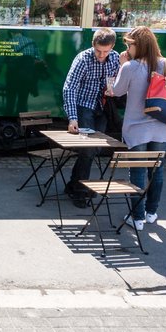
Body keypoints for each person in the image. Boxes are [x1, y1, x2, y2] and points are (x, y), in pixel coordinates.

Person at [109, 26, 166, 230]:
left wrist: (122, 64)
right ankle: (151, 213)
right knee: (156, 172)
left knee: (138, 172)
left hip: (137, 129)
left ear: (137, 45)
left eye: (129, 44)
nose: (127, 48)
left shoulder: (130, 66)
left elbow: (117, 91)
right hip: (162, 128)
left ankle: (137, 218)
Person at [62, 27, 120, 206]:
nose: (102, 55)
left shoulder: (116, 58)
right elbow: (70, 88)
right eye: (98, 51)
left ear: (112, 47)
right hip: (84, 106)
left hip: (102, 107)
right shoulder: (83, 59)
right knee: (87, 149)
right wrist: (73, 117)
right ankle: (79, 191)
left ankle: (73, 184)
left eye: (106, 51)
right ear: (93, 45)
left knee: (94, 149)